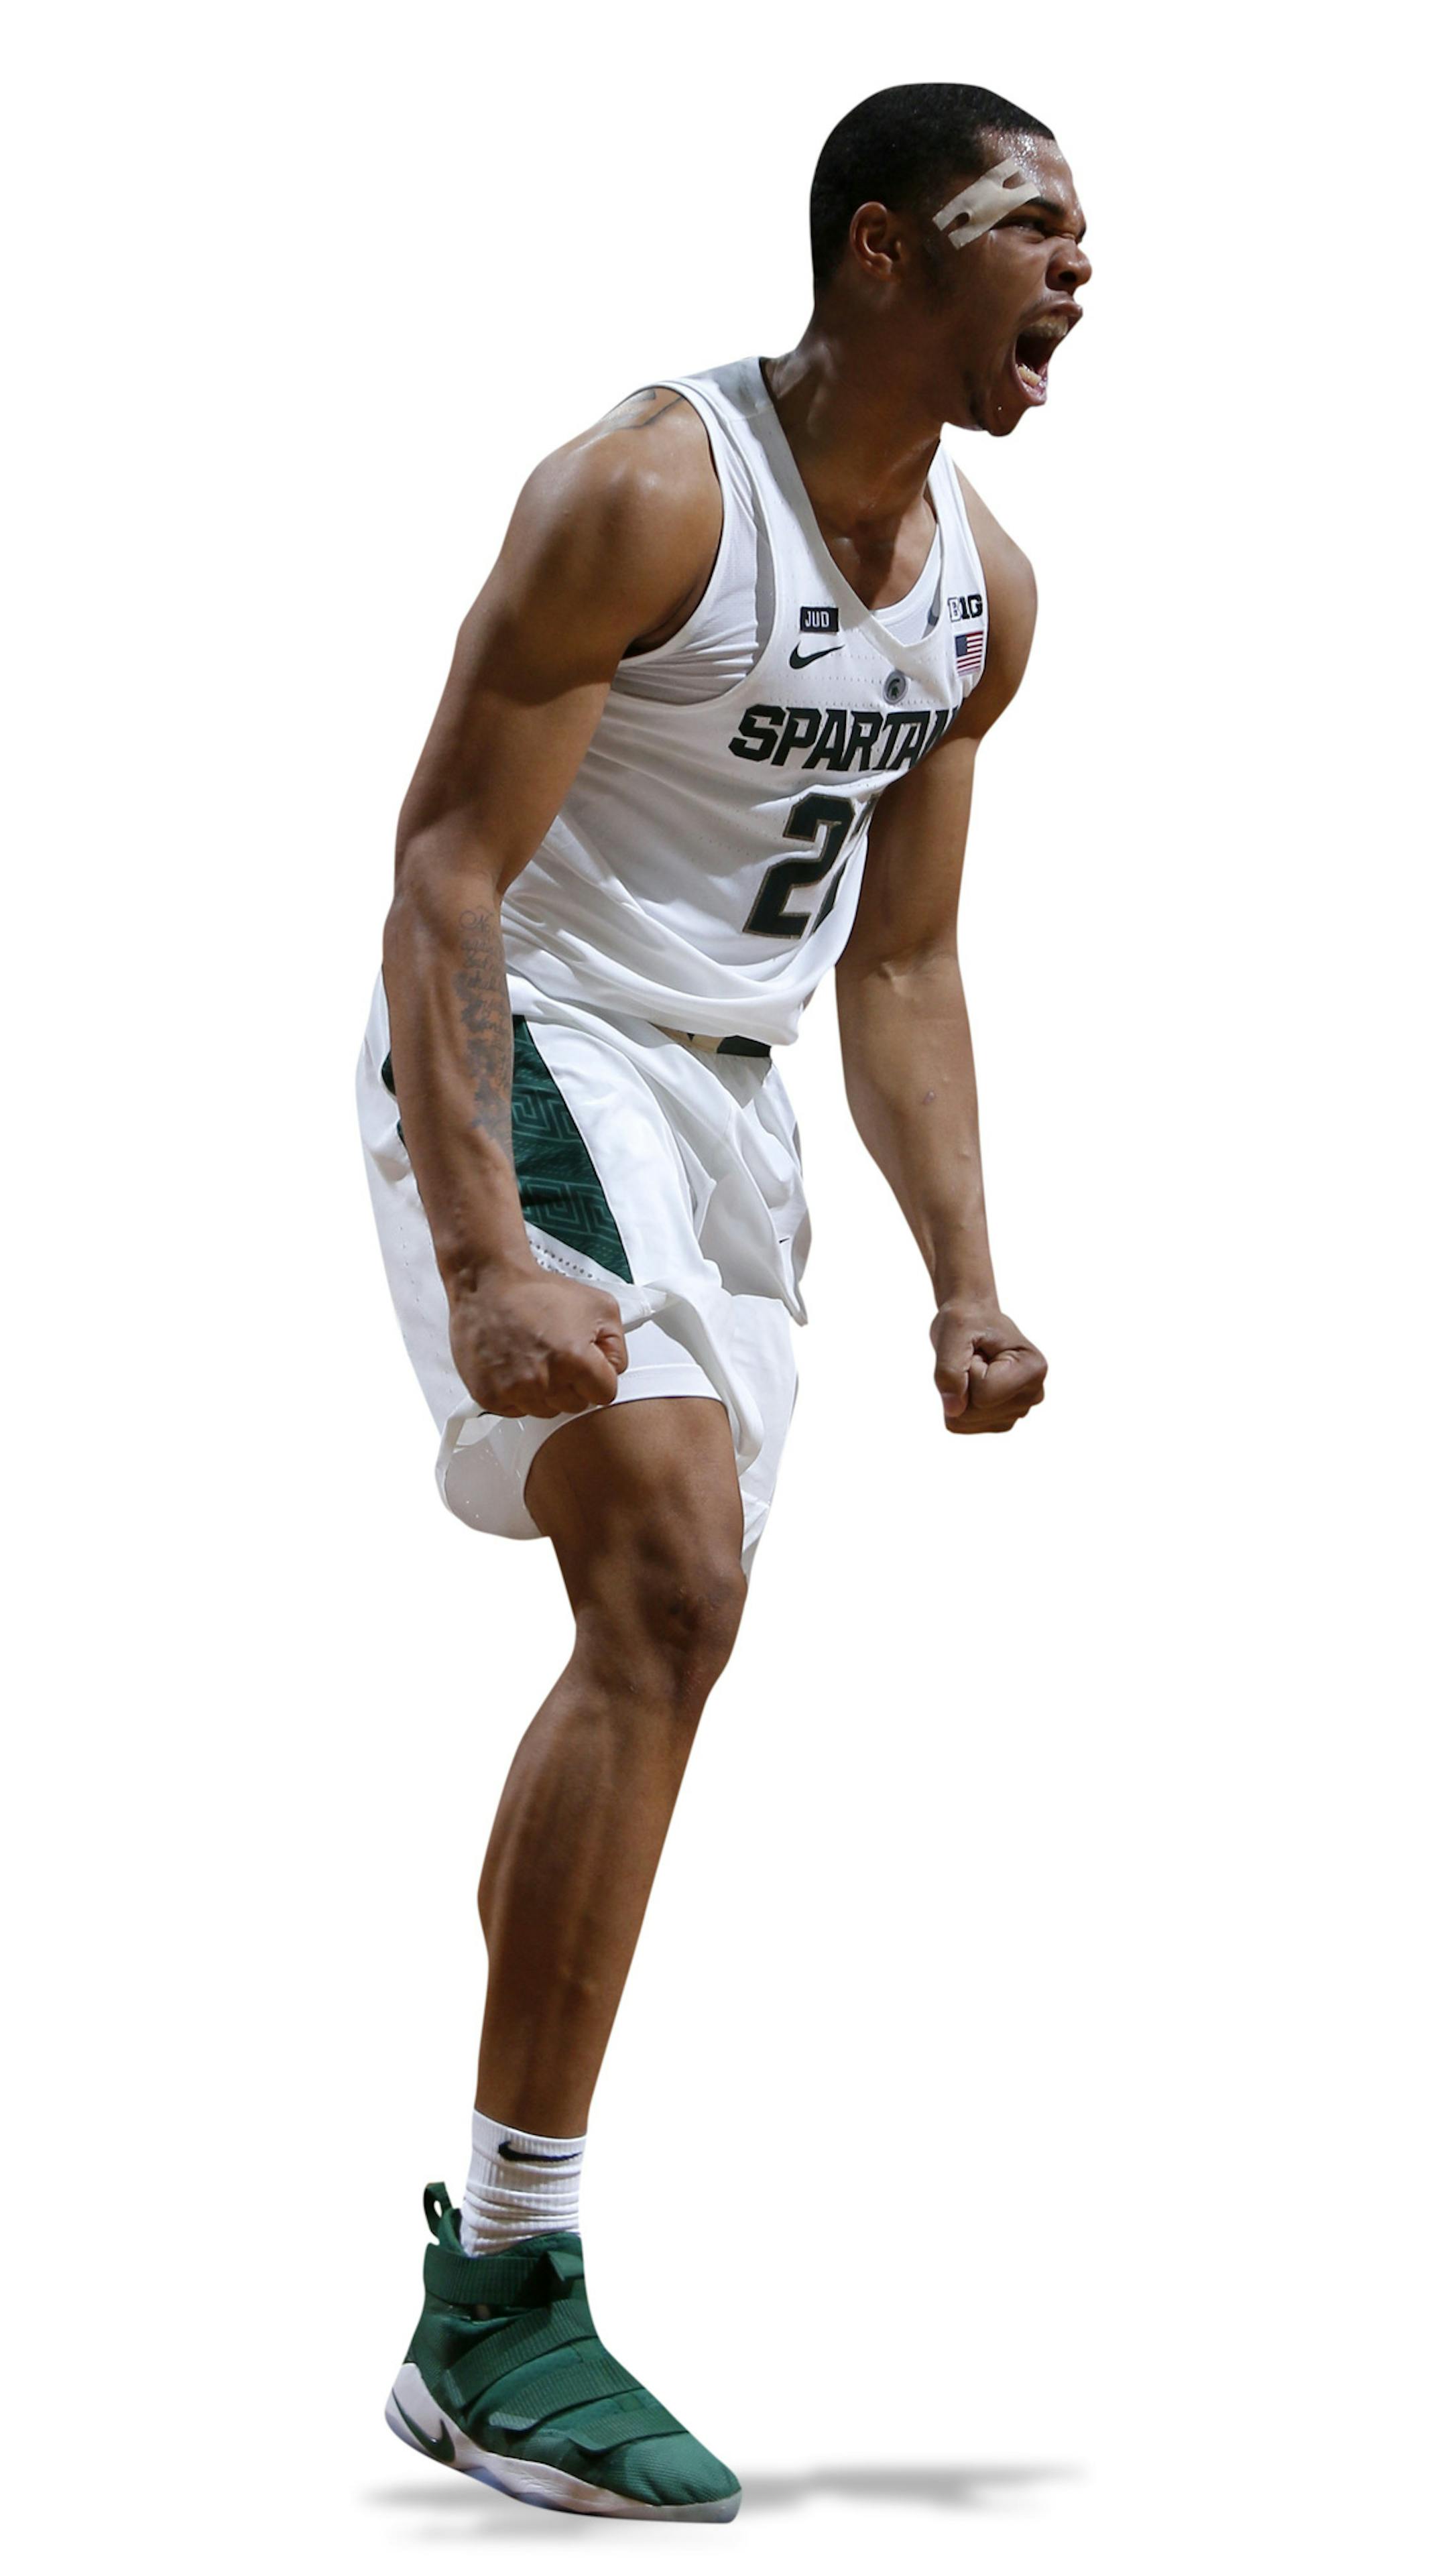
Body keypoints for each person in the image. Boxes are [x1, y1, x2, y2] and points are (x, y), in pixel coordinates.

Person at [358, 79, 1089, 2522]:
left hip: (734, 1101)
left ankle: (490, 2252)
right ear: (882, 254)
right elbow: (446, 880)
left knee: (659, 1642)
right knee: (663, 1565)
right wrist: (481, 1243)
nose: (1075, 279)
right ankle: (511, 2293)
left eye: (1088, 242)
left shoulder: (980, 590)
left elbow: (904, 963)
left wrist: (964, 1277)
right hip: (533, 1026)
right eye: (1032, 233)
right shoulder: (652, 490)